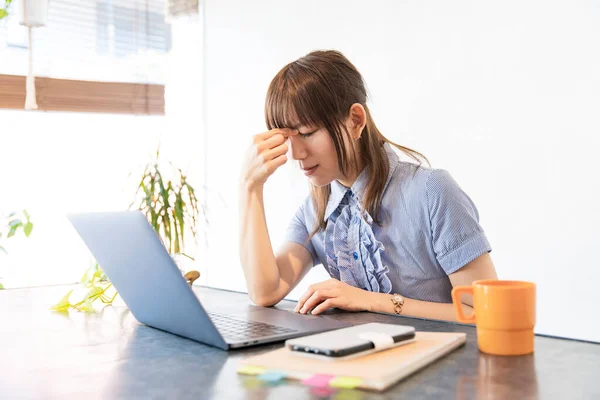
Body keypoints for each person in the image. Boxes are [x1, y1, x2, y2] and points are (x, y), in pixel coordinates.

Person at [239, 50, 497, 322]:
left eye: (307, 133)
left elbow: (483, 312)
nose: (296, 153)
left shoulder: (432, 191)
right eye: (286, 138)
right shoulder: (316, 209)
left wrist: (372, 301)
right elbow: (265, 291)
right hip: (363, 359)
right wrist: (249, 187)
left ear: (355, 120)